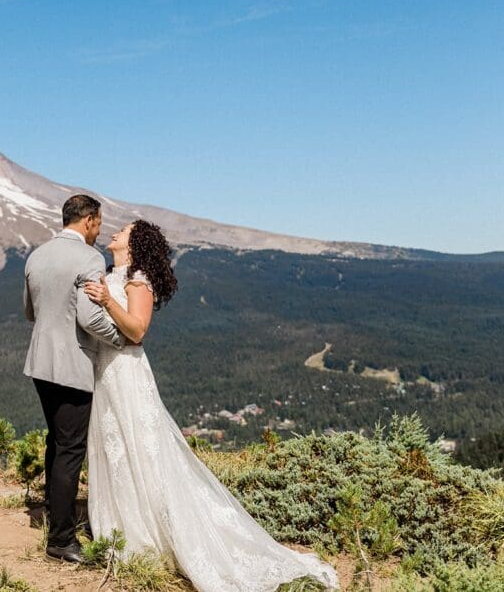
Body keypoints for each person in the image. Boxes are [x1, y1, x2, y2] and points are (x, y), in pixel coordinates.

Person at [81, 219, 341, 591]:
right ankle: (123, 528)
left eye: (124, 230)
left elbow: (137, 331)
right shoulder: (110, 274)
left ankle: (157, 533)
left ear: (136, 243)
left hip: (127, 372)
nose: (115, 232)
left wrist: (107, 300)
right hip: (105, 372)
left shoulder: (138, 281)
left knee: (142, 449)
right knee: (115, 448)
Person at [22, 194, 125, 563]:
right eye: (99, 223)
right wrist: (121, 339)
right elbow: (90, 318)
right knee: (71, 450)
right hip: (71, 363)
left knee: (56, 442)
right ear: (89, 220)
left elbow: (30, 311)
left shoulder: (37, 255)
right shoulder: (88, 257)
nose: (100, 230)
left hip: (39, 362)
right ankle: (62, 540)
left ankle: (56, 516)